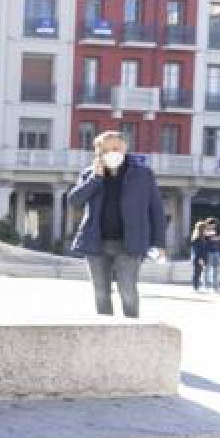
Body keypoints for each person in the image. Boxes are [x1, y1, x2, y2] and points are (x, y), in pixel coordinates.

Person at [67, 131, 166, 318]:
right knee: (100, 293)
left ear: (124, 148)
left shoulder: (143, 175)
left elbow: (156, 210)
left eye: (115, 148)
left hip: (130, 244)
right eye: (106, 149)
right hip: (96, 243)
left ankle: (132, 331)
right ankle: (106, 333)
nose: (112, 152)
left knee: (128, 291)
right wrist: (95, 179)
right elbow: (74, 201)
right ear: (99, 152)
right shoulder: (89, 174)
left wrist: (159, 243)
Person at [203, 218, 220, 293]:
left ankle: (215, 287)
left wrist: (215, 238)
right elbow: (208, 238)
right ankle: (206, 286)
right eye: (211, 224)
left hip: (216, 252)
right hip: (208, 252)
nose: (213, 226)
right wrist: (215, 237)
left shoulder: (218, 230)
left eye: (214, 224)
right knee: (206, 269)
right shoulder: (205, 231)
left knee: (216, 270)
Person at [191, 220, 209, 292]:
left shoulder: (203, 238)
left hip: (201, 258)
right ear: (202, 229)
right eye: (205, 228)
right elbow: (197, 250)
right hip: (198, 258)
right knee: (197, 273)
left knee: (199, 272)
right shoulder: (197, 238)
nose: (206, 230)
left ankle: (197, 286)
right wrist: (200, 259)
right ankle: (196, 287)